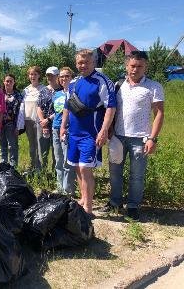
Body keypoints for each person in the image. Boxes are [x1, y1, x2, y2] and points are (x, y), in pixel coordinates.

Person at [100, 51, 164, 221]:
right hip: (118, 137)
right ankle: (115, 202)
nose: (135, 69)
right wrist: (110, 129)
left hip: (140, 139)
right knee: (114, 172)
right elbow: (112, 110)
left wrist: (152, 138)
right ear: (126, 66)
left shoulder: (153, 86)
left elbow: (159, 113)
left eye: (139, 66)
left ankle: (134, 206)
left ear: (145, 67)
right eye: (132, 66)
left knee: (137, 175)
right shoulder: (118, 85)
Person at [60, 49, 116, 217]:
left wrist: (104, 130)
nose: (82, 65)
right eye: (79, 62)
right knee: (77, 167)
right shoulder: (74, 82)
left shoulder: (103, 81)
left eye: (86, 62)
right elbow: (67, 106)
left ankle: (88, 210)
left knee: (85, 169)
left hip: (91, 134)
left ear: (93, 62)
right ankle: (83, 199)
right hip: (74, 134)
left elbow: (111, 107)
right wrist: (63, 126)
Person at [17, 66, 48, 173]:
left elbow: (46, 106)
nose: (33, 76)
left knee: (40, 144)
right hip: (28, 121)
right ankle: (32, 165)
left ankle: (40, 169)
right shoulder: (26, 90)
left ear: (39, 75)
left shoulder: (44, 89)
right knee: (31, 145)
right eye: (31, 74)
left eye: (35, 74)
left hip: (39, 121)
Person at [52, 67, 76, 195]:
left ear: (72, 78)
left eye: (67, 76)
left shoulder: (74, 94)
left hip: (68, 129)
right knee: (58, 160)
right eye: (61, 76)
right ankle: (59, 187)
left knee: (67, 161)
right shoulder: (57, 94)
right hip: (55, 128)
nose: (64, 78)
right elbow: (55, 112)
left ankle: (68, 190)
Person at [36, 66, 62, 171]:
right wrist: (43, 121)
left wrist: (49, 120)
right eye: (48, 76)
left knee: (56, 149)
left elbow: (60, 109)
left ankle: (56, 172)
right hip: (43, 125)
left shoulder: (62, 91)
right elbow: (38, 107)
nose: (49, 78)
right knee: (42, 149)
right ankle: (43, 172)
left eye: (52, 75)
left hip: (56, 123)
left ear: (57, 76)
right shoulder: (43, 90)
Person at [0, 74, 22, 168]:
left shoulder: (18, 95)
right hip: (0, 124)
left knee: (12, 147)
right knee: (2, 147)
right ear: (4, 82)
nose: (8, 83)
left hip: (12, 125)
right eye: (7, 81)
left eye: (10, 81)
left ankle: (13, 168)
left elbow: (20, 113)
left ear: (14, 82)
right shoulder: (0, 94)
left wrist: (18, 127)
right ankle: (3, 167)